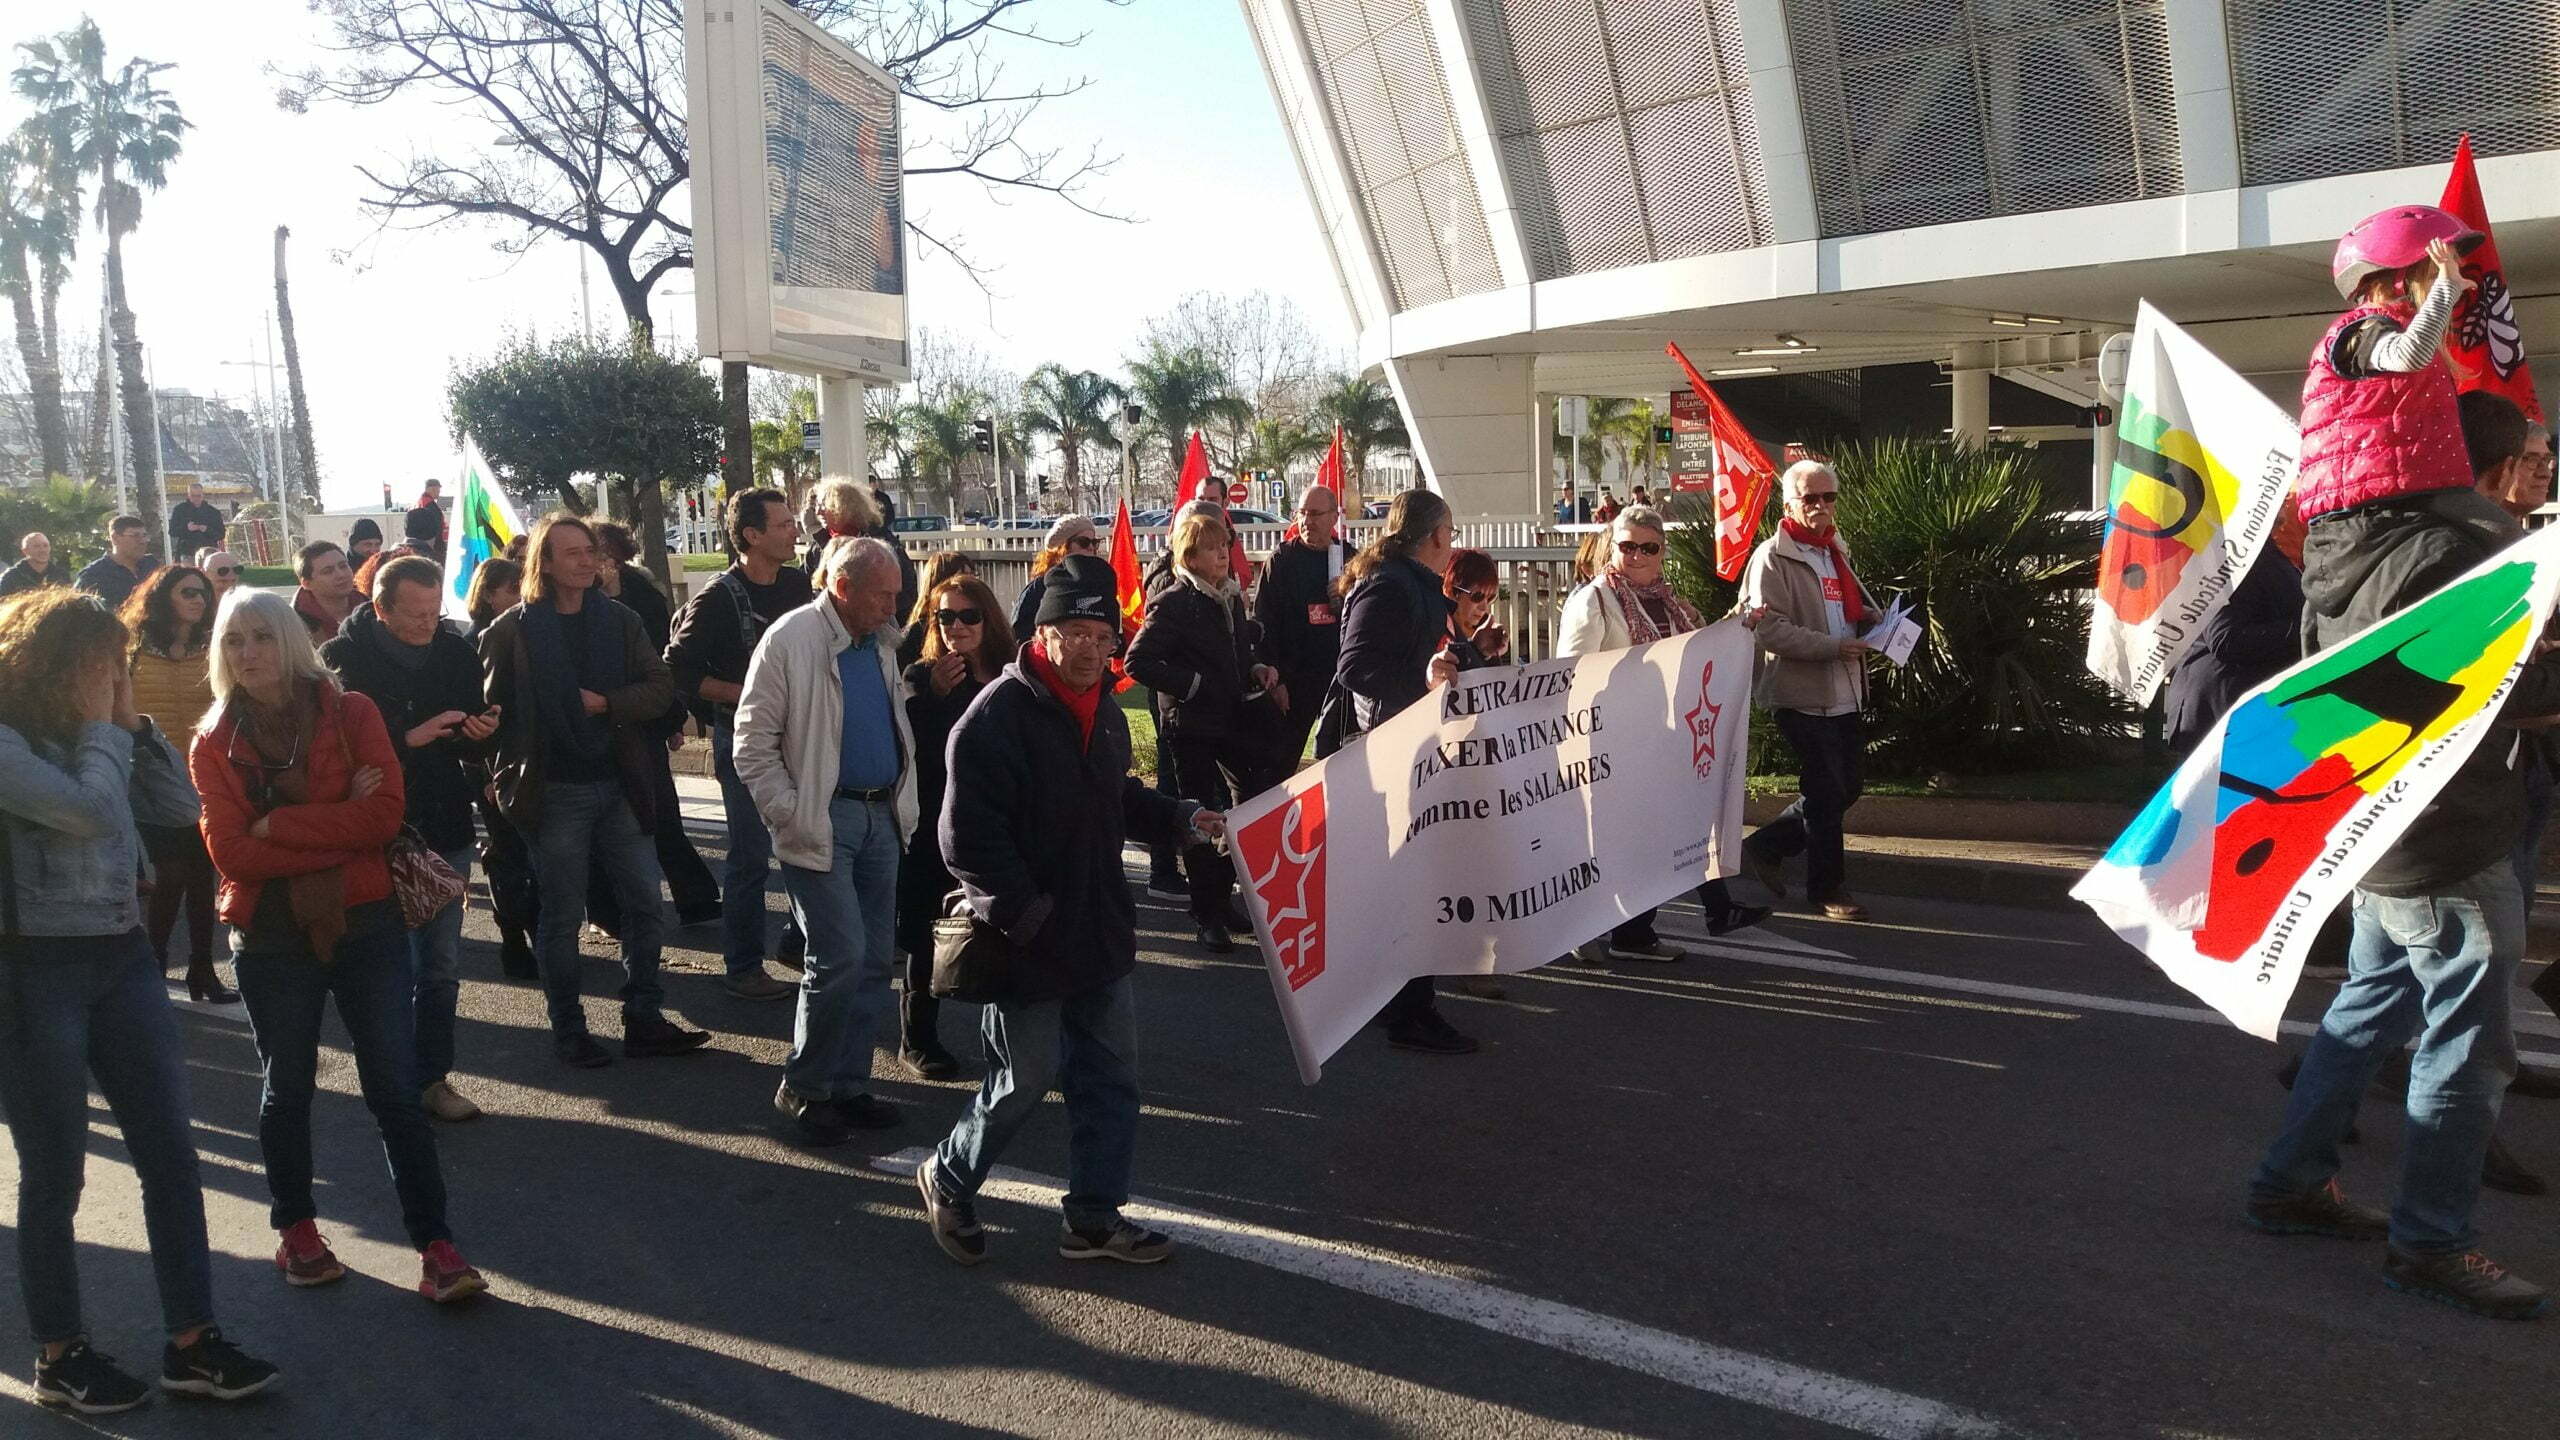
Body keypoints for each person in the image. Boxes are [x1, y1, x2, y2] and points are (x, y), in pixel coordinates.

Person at [2242, 205, 2559, 1321]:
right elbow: (2490, 690)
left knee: (2365, 1009)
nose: (2539, 472)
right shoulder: (2451, 546)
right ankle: (2430, 1243)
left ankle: (2289, 1183)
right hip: (2446, 832)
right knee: (2469, 1048)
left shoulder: (2353, 539)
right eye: (2530, 460)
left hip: (2379, 821)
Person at [0, 589, 280, 1412]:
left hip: (121, 957)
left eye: (116, 666)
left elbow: (183, 811)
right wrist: (103, 730)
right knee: (56, 1172)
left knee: (170, 1155)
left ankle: (192, 1342)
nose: (111, 680)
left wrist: (136, 728)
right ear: (48, 667)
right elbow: (90, 812)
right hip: (31, 968)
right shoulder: (9, 741)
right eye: (99, 667)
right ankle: (60, 1355)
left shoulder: (106, 735)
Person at [914, 553, 1221, 1266]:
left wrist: (1183, 816)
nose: (1090, 648)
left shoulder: (1104, 711)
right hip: (1026, 938)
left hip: (1099, 930)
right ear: (1043, 634)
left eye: (1103, 635)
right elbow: (965, 841)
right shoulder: (995, 717)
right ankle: (949, 1176)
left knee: (1110, 1080)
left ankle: (1092, 1220)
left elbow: (1117, 798)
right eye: (1076, 632)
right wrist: (1028, 918)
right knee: (1022, 1080)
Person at [190, 591, 488, 1305]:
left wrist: (279, 826)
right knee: (287, 1086)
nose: (248, 653)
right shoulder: (214, 740)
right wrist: (337, 822)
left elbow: (383, 819)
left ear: (291, 641)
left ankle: (437, 1246)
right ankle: (297, 1231)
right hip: (270, 934)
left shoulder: (351, 713)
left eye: (262, 636)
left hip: (366, 923)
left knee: (395, 1090)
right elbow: (233, 854)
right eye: (233, 641)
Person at [479, 513, 709, 1068]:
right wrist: (498, 777)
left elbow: (659, 687)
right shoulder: (511, 631)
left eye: (591, 551)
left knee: (645, 904)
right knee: (561, 916)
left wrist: (608, 703)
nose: (587, 561)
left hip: (620, 783)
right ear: (544, 563)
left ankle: (643, 1016)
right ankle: (569, 1029)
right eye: (573, 553)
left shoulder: (620, 620)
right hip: (553, 792)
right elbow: (489, 715)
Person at [734, 537, 917, 1145]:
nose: (894, 606)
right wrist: (789, 813)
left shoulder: (880, 641)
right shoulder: (791, 639)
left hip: (880, 817)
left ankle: (847, 1085)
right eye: (883, 595)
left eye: (896, 594)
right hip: (823, 820)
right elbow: (751, 744)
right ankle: (805, 1087)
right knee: (838, 957)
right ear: (842, 588)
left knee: (873, 962)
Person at [321, 556, 500, 1124]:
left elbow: (469, 736)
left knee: (439, 966)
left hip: (443, 824)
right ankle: (389, 1078)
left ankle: (432, 1079)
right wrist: (406, 738)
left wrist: (482, 733)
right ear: (380, 609)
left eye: (434, 611)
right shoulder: (340, 660)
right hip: (374, 833)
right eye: (416, 614)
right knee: (383, 966)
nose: (429, 623)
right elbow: (331, 753)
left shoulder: (454, 651)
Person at [1556, 506, 1773, 957]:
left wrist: (1738, 628)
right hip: (1613, 738)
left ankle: (1652, 928)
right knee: (1628, 839)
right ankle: (1604, 930)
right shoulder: (1595, 600)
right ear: (1612, 548)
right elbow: (1569, 672)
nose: (1636, 556)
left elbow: (1697, 649)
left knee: (1667, 828)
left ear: (1662, 551)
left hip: (1664, 735)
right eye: (1627, 546)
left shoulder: (1670, 602)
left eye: (1648, 547)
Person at [1329, 489, 1477, 1055]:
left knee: (1406, 886)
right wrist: (1424, 678)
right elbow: (1356, 667)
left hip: (1413, 749)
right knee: (1414, 886)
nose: (1452, 541)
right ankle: (1410, 1012)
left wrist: (1471, 653)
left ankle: (1395, 1001)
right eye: (1451, 532)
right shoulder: (1391, 584)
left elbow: (1422, 657)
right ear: (1436, 535)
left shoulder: (1408, 581)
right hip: (1394, 754)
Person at [667, 488, 811, 998]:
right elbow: (677, 669)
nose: (794, 531)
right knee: (751, 856)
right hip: (745, 738)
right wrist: (750, 693)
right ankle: (743, 967)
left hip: (800, 735)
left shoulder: (798, 585)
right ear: (751, 535)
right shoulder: (718, 597)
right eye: (783, 524)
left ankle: (798, 943)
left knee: (809, 842)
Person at [1127, 509, 1282, 953]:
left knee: (1250, 804)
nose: (1223, 554)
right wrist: (1192, 686)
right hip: (1190, 725)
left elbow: (1237, 652)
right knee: (1199, 816)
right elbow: (1138, 662)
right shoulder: (1173, 601)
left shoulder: (1229, 597)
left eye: (1224, 546)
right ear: (1190, 557)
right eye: (1212, 548)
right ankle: (1206, 913)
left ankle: (1221, 896)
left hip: (1231, 718)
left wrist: (1255, 667)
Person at [1738, 461, 1876, 922]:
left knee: (1846, 787)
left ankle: (1766, 845)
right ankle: (1828, 889)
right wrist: (1832, 647)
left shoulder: (1835, 549)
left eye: (1827, 497)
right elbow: (1768, 629)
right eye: (1809, 498)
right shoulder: (1772, 557)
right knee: (1827, 788)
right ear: (1788, 505)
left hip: (1845, 689)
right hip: (1799, 691)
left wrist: (1869, 620)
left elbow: (1840, 611)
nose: (1820, 506)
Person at [897, 573, 1010, 1079]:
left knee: (1005, 932)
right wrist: (935, 695)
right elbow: (911, 750)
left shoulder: (1009, 675)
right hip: (934, 824)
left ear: (988, 620)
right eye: (945, 617)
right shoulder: (920, 675)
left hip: (996, 823)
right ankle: (917, 1038)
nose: (956, 627)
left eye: (968, 616)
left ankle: (1013, 1046)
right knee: (927, 935)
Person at [589, 523, 720, 934]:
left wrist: (671, 718)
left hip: (640, 721)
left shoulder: (641, 599)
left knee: (660, 813)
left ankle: (694, 898)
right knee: (608, 824)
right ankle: (612, 912)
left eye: (603, 555)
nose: (599, 563)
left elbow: (661, 668)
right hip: (602, 727)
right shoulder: (575, 604)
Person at [119, 565, 234, 1003]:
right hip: (151, 776)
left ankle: (202, 968)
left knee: (203, 874)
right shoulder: (131, 649)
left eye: (203, 593)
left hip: (205, 772)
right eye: (188, 592)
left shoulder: (214, 647)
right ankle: (155, 963)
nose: (198, 599)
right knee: (171, 873)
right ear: (163, 596)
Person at [463, 557, 538, 979]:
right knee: (508, 855)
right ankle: (513, 939)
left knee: (533, 854)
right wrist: (490, 773)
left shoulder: (526, 632)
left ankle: (538, 931)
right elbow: (479, 716)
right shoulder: (476, 642)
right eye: (512, 589)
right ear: (489, 594)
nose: (521, 595)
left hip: (527, 764)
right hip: (494, 768)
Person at [1256, 484, 1354, 769]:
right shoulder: (1282, 560)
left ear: (1334, 517)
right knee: (1280, 764)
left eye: (1315, 514)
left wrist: (1347, 595)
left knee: (1342, 762)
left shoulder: (1351, 559)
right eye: (1302, 513)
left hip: (1339, 679)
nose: (1307, 521)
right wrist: (1276, 680)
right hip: (1294, 680)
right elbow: (1265, 621)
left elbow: (1367, 619)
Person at [1010, 514, 1100, 641]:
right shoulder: (1040, 589)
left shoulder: (1098, 586)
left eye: (1094, 543)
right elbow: (1019, 637)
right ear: (1062, 547)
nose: (1091, 548)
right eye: (1083, 542)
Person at [898, 551, 976, 668]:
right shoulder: (916, 634)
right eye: (962, 579)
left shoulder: (980, 620)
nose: (972, 586)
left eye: (973, 578)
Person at [76, 515, 159, 612]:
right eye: (135, 536)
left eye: (144, 535)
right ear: (115, 538)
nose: (143, 541)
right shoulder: (93, 576)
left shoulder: (151, 565)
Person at [290, 541, 357, 644]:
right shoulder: (294, 625)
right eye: (327, 571)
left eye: (343, 566)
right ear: (307, 584)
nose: (341, 575)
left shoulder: (371, 609)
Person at [168, 483, 225, 559]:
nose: (196, 498)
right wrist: (186, 528)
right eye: (193, 496)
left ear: (203, 495)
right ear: (188, 495)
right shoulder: (179, 510)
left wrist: (207, 529)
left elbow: (221, 534)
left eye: (198, 496)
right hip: (187, 553)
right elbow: (172, 531)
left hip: (208, 555)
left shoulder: (213, 512)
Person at [1, 531, 65, 596]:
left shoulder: (61, 575)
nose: (42, 550)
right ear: (25, 551)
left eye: (45, 546)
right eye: (36, 546)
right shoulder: (11, 577)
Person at [406, 479, 448, 561]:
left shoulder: (418, 502)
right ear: (432, 489)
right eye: (438, 489)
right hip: (431, 546)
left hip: (418, 545)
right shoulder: (429, 505)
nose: (439, 492)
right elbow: (436, 526)